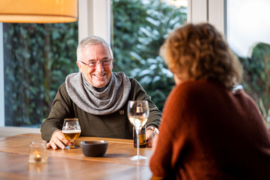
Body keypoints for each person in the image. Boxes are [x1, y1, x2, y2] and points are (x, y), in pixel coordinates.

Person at [149, 23, 270, 179]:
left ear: (178, 63)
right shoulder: (246, 102)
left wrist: (159, 145)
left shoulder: (187, 94)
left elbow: (158, 167)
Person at [41, 36, 161, 150]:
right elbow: (50, 124)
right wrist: (55, 133)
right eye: (92, 62)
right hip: (84, 159)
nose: (100, 69)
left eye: (105, 61)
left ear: (112, 62)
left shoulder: (130, 86)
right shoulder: (69, 89)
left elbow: (153, 113)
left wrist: (152, 129)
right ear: (80, 66)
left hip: (125, 158)